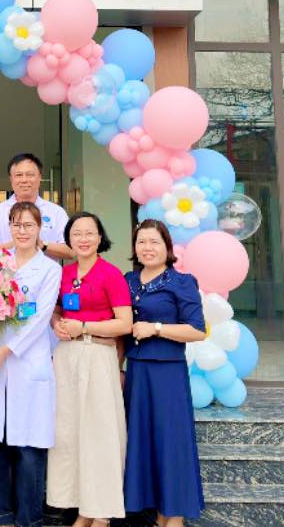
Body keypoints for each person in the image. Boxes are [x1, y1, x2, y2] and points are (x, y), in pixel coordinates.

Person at [0, 201, 62, 527]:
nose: (22, 231)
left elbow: (40, 318)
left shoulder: (50, 269)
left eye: (29, 225)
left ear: (40, 229)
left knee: (29, 446)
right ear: (9, 227)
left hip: (28, 360)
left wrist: (7, 350)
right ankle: (0, 515)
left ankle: (29, 519)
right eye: (16, 224)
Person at [47, 212, 133, 527]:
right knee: (69, 435)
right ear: (68, 239)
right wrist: (57, 323)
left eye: (89, 233)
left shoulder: (111, 274)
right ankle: (82, 509)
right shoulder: (65, 273)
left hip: (97, 355)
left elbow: (125, 323)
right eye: (77, 233)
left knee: (101, 434)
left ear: (100, 238)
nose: (83, 239)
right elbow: (57, 310)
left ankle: (102, 514)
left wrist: (83, 326)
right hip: (67, 358)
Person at [122, 220, 207, 526]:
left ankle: (174, 518)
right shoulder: (128, 280)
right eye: (141, 241)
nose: (147, 248)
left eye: (154, 242)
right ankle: (157, 514)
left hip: (167, 375)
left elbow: (197, 330)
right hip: (136, 373)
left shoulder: (181, 282)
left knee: (171, 444)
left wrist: (156, 328)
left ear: (167, 247)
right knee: (143, 443)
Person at [0, 153, 73, 261]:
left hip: (45, 272)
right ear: (11, 179)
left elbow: (70, 251)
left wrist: (41, 244)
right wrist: (16, 242)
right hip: (6, 272)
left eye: (30, 175)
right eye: (19, 175)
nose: (24, 180)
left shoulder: (56, 212)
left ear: (40, 177)